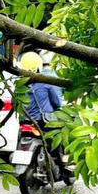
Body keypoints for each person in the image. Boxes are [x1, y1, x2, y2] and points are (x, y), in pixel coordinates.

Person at [20, 50, 71, 182]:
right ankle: (64, 159)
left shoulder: (19, 84)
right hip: (44, 121)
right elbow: (57, 102)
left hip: (25, 121)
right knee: (62, 132)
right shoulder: (45, 81)